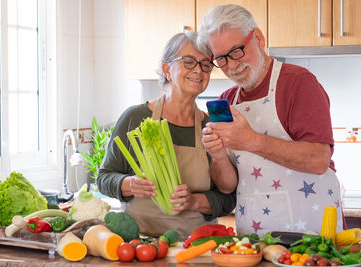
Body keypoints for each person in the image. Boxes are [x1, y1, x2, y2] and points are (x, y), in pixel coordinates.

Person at [197, 4, 345, 236]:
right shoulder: (227, 101)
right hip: (255, 238)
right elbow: (227, 185)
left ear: (258, 37)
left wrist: (250, 141)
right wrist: (217, 156)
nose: (232, 66)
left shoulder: (299, 83)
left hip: (311, 236)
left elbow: (318, 160)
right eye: (222, 59)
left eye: (236, 51)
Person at [97, 32, 236, 239]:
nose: (198, 70)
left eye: (205, 65)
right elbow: (104, 178)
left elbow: (228, 198)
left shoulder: (212, 126)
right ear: (166, 70)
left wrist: (193, 201)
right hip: (139, 246)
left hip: (195, 247)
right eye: (188, 62)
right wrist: (129, 184)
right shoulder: (135, 118)